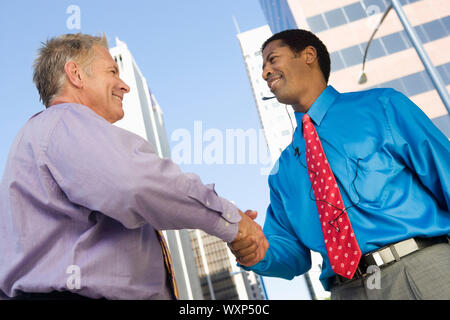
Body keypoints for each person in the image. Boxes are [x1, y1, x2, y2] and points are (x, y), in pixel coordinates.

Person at [0, 33, 268, 300]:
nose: (124, 85)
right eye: (112, 71)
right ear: (76, 75)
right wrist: (233, 222)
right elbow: (136, 185)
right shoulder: (67, 121)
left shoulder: (37, 138)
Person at [232, 29, 450, 300]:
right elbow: (292, 255)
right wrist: (252, 247)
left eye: (272, 60)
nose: (265, 73)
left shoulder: (382, 107)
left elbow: (445, 175)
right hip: (345, 291)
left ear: (309, 55)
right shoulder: (282, 171)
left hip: (421, 270)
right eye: (262, 67)